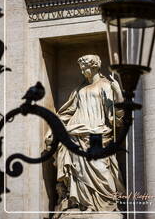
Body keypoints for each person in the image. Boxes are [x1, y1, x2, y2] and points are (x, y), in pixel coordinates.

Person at [47, 54, 125, 213]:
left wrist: (118, 92)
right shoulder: (79, 89)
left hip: (97, 133)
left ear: (95, 66)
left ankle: (107, 203)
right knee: (80, 170)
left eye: (85, 68)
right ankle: (86, 204)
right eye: (81, 68)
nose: (82, 71)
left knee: (99, 167)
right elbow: (69, 111)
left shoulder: (106, 85)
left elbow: (116, 114)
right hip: (76, 134)